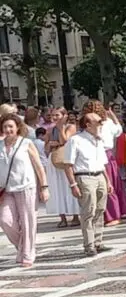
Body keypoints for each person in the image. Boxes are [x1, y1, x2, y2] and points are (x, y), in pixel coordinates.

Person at [0, 114, 49, 266]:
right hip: (6, 189)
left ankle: (28, 253)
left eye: (11, 127)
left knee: (28, 222)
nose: (8, 130)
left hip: (26, 186)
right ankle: (22, 245)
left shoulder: (26, 143)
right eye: (5, 127)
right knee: (5, 220)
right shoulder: (0, 145)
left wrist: (44, 187)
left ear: (17, 128)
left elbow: (38, 166)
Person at [64, 112, 112, 256]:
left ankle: (98, 241)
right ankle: (89, 244)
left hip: (99, 175)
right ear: (88, 124)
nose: (100, 124)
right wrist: (73, 184)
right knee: (88, 211)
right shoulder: (75, 140)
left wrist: (108, 181)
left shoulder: (98, 140)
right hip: (85, 177)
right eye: (98, 122)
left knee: (100, 209)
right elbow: (68, 164)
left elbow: (103, 164)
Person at [81, 101, 126, 225]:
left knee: (107, 185)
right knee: (114, 183)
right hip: (108, 155)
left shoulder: (91, 125)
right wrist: (113, 117)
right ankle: (121, 210)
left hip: (100, 154)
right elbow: (118, 131)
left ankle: (112, 215)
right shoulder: (108, 122)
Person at [44, 109, 79, 228]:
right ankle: (62, 217)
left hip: (66, 159)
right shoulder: (49, 129)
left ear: (64, 116)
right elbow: (46, 147)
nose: (54, 117)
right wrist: (50, 144)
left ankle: (75, 216)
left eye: (57, 115)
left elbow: (65, 140)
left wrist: (60, 128)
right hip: (53, 159)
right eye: (52, 115)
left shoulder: (71, 127)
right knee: (56, 188)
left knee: (68, 186)